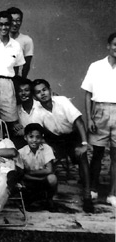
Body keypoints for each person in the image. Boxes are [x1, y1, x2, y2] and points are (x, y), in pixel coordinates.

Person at [32, 79, 94, 212]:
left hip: (72, 136)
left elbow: (79, 122)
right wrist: (47, 147)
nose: (42, 94)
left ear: (49, 90)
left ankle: (87, 196)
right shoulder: (36, 111)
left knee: (82, 157)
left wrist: (84, 144)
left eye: (44, 90)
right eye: (38, 92)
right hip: (54, 140)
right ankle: (48, 198)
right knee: (48, 161)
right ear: (35, 97)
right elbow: (38, 131)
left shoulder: (62, 101)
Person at [81, 32, 116, 207]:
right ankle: (93, 189)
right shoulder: (96, 66)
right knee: (97, 154)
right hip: (99, 112)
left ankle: (112, 193)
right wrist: (90, 119)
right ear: (108, 46)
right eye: (115, 44)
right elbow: (87, 94)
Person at [18, 123, 57, 211]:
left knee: (52, 178)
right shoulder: (21, 152)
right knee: (21, 180)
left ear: (41, 138)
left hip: (42, 178)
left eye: (38, 137)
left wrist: (31, 172)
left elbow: (49, 169)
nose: (34, 140)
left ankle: (49, 199)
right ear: (25, 138)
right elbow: (22, 173)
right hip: (29, 180)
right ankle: (31, 199)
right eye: (31, 137)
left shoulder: (46, 148)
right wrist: (30, 175)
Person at [12, 76, 39, 148]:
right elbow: (17, 131)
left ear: (32, 92)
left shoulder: (40, 106)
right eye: (20, 91)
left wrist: (26, 130)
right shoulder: (16, 109)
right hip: (26, 143)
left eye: (26, 90)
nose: (23, 93)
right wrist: (15, 125)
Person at [7, 7, 34, 78]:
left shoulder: (27, 40)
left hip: (16, 79)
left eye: (18, 20)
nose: (15, 23)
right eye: (12, 20)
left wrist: (22, 81)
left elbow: (26, 65)